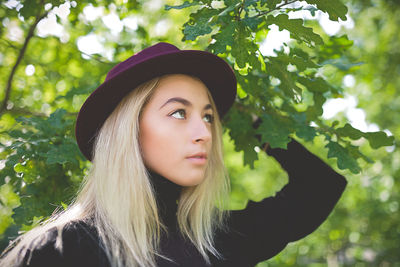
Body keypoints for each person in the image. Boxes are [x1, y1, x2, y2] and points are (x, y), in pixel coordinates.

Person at [0, 42, 347, 267]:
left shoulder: (217, 241)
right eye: (179, 113)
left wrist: (255, 124)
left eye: (209, 116)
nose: (205, 133)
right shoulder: (60, 249)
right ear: (128, 131)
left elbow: (320, 186)